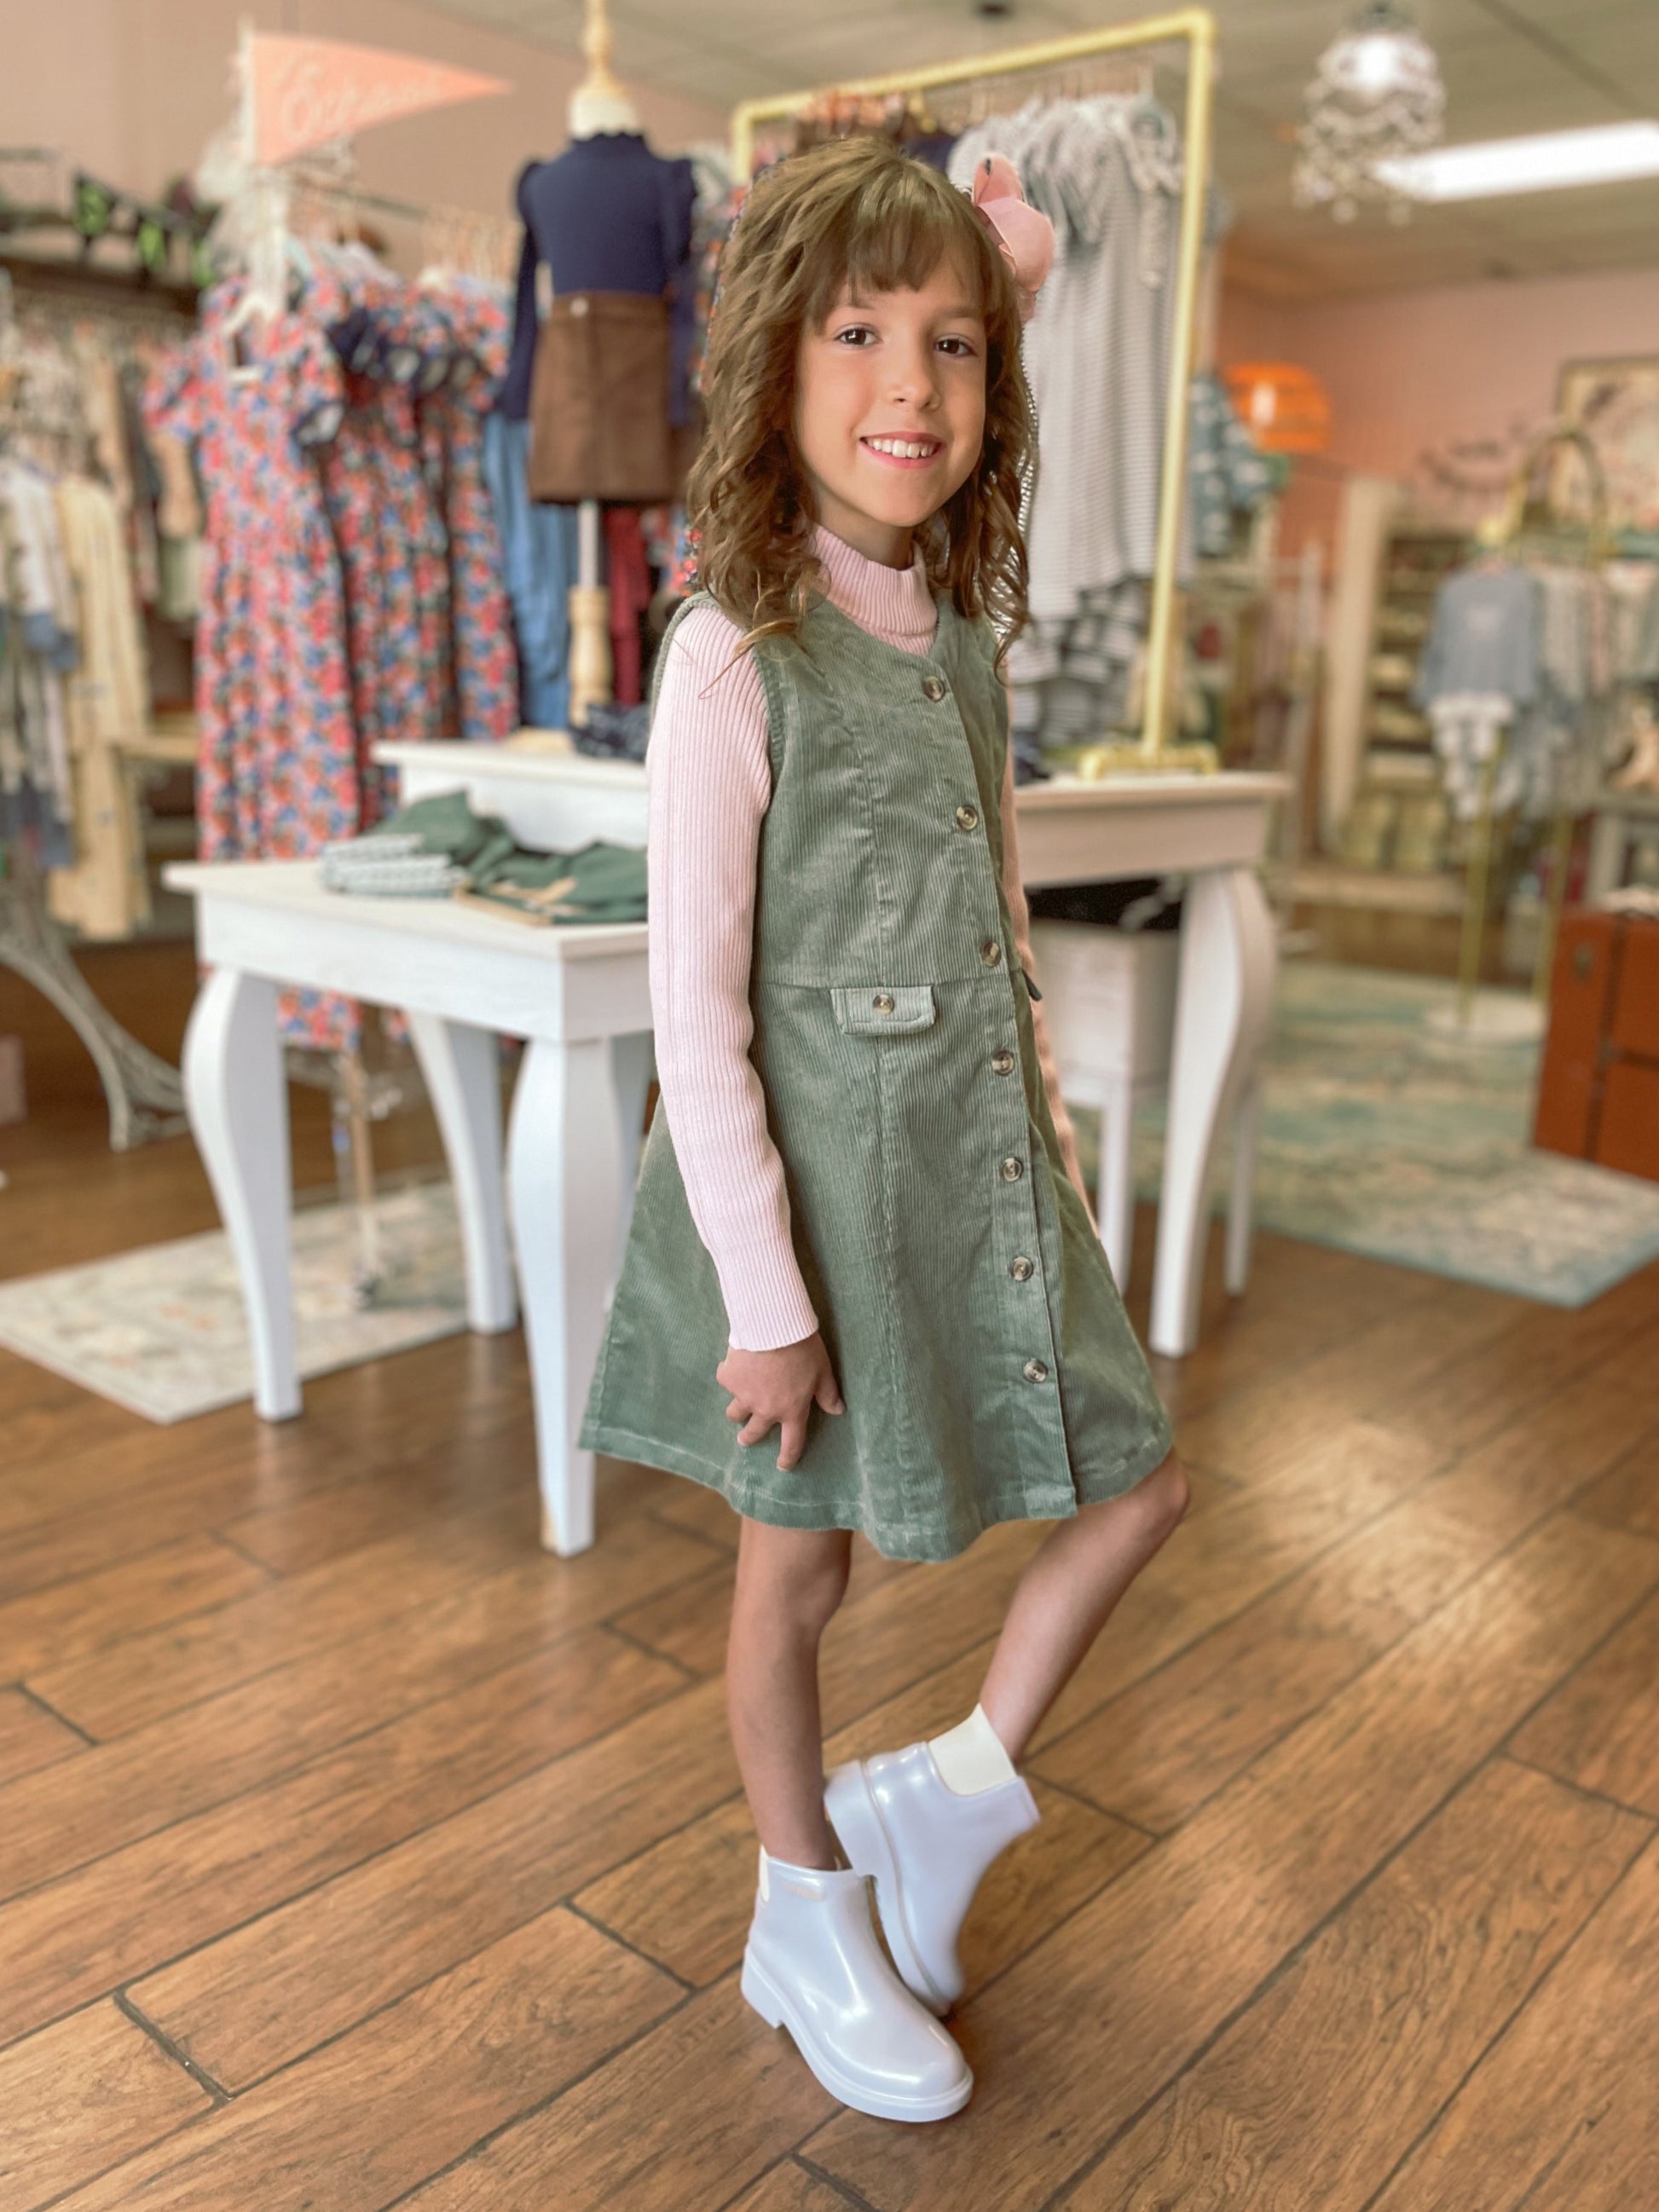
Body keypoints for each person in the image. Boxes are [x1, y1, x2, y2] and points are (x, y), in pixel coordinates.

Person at [581, 134, 1188, 2124]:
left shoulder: (971, 648)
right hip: (811, 1220)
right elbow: (698, 1012)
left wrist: (1059, 1155)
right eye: (858, 334)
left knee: (1137, 1482)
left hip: (972, 1171)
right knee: (797, 1581)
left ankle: (938, 1797)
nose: (908, 385)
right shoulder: (729, 657)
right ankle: (800, 1899)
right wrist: (765, 1297)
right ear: (779, 370)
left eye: (953, 341)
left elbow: (997, 913)